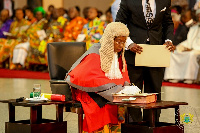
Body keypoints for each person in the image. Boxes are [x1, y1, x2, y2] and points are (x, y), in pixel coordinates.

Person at [115, 0, 175, 122]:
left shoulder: (164, 1)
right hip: (134, 52)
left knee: (154, 91)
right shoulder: (128, 1)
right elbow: (119, 24)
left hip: (157, 51)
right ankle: (134, 125)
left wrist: (169, 39)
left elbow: (168, 23)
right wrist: (129, 44)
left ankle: (151, 124)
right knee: (133, 91)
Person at [65, 22, 130, 132]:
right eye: (118, 41)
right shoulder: (96, 52)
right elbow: (87, 78)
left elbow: (124, 77)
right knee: (104, 106)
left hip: (108, 91)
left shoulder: (120, 55)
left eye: (123, 42)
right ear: (110, 39)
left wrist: (127, 89)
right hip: (89, 91)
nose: (121, 45)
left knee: (122, 105)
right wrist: (116, 90)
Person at [164, 9, 200, 84]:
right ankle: (173, 76)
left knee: (191, 54)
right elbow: (189, 41)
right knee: (174, 53)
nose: (199, 18)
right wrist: (178, 47)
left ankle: (190, 78)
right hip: (190, 48)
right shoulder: (194, 27)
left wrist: (192, 49)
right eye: (198, 16)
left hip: (197, 50)